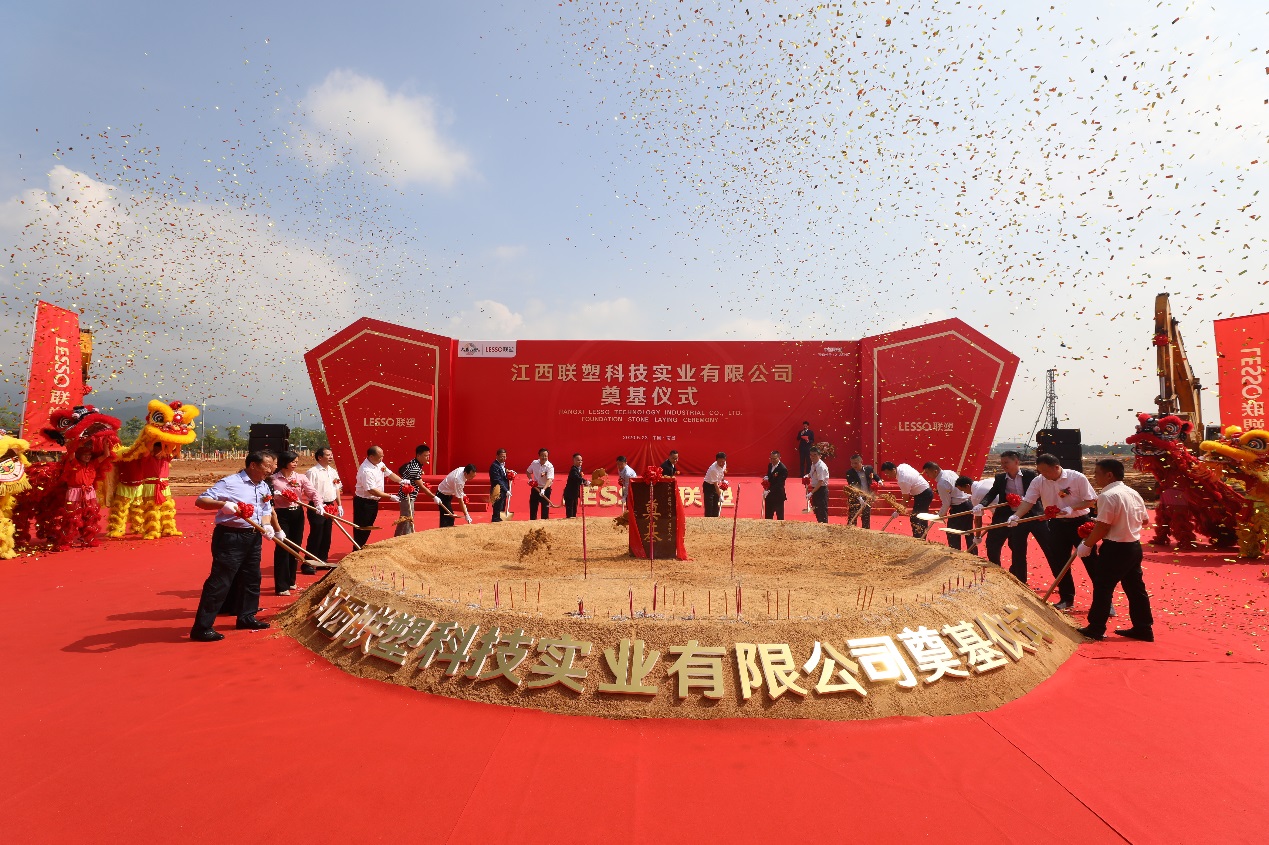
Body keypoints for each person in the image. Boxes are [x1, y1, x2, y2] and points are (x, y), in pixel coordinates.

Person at [190, 451, 280, 641]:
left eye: (272, 466)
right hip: (231, 537)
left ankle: (246, 616)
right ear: (253, 465)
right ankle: (202, 627)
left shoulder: (263, 485)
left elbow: (265, 508)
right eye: (267, 466)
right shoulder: (230, 482)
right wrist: (223, 505)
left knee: (252, 578)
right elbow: (201, 500)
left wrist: (267, 526)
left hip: (253, 536)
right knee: (221, 580)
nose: (271, 470)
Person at [1076, 459, 1154, 641]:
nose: (1094, 477)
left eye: (1097, 473)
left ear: (1109, 475)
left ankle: (1096, 627)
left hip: (1116, 548)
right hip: (1133, 546)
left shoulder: (1107, 495)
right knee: (1135, 588)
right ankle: (1143, 628)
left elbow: (1103, 526)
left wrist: (1087, 544)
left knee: (1103, 587)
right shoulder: (1133, 492)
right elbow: (1144, 520)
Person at [1010, 453, 1098, 611]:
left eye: (1046, 471)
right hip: (1057, 524)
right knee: (1059, 562)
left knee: (1091, 561)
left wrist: (1072, 508)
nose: (1043, 474)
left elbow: (1090, 500)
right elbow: (1029, 501)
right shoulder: (1039, 481)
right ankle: (1067, 598)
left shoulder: (1076, 477)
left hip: (1080, 522)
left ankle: (1104, 601)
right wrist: (1016, 515)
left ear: (1056, 467)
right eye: (1040, 471)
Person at [974, 450, 1044, 584]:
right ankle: (996, 570)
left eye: (1006, 462)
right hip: (1006, 515)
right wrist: (981, 505)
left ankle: (1019, 578)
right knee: (992, 542)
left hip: (1030, 514)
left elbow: (1039, 493)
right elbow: (992, 493)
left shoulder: (1030, 475)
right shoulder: (1000, 478)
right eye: (1002, 463)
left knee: (1018, 549)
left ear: (1016, 462)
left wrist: (1027, 500)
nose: (1004, 465)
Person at [270, 451, 319, 595]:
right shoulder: (273, 479)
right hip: (281, 514)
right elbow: (265, 497)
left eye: (297, 461)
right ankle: (281, 585)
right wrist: (274, 496)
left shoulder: (300, 477)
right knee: (283, 548)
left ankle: (291, 580)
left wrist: (318, 504)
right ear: (284, 462)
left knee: (295, 547)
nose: (295, 464)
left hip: (297, 513)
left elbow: (312, 492)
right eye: (293, 461)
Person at [353, 446, 403, 547]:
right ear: (371, 457)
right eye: (380, 457)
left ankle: (361, 546)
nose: (382, 459)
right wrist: (390, 496)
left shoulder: (379, 463)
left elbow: (389, 473)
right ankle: (357, 548)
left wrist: (401, 481)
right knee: (362, 528)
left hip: (373, 502)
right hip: (364, 503)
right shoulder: (366, 470)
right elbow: (372, 490)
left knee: (368, 527)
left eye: (382, 456)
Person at [305, 447, 342, 567]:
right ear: (320, 457)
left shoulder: (333, 471)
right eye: (328, 455)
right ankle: (309, 563)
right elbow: (308, 491)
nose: (331, 457)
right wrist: (318, 504)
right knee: (317, 534)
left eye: (331, 454)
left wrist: (339, 505)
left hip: (330, 505)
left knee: (327, 535)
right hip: (317, 507)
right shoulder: (312, 472)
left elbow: (337, 488)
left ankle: (322, 561)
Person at [923, 462, 972, 550]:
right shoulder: (949, 472)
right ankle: (973, 553)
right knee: (969, 532)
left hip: (959, 507)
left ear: (935, 471)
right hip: (968, 504)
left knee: (952, 533)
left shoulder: (941, 483)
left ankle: (955, 554)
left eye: (927, 472)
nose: (927, 475)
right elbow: (953, 488)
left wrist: (939, 515)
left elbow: (946, 503)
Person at [879, 461, 933, 538]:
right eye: (885, 474)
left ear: (893, 470)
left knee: (917, 517)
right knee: (918, 516)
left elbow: (906, 498)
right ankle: (920, 536)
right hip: (921, 492)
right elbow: (908, 495)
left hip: (924, 494)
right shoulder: (902, 466)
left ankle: (919, 538)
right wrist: (900, 508)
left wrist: (898, 510)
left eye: (888, 473)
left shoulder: (903, 480)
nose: (887, 476)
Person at [395, 443, 430, 537]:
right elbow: (421, 486)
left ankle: (397, 537)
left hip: (409, 495)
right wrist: (433, 496)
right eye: (425, 456)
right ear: (418, 455)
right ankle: (408, 537)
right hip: (407, 496)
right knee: (408, 518)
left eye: (428, 455)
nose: (428, 458)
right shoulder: (414, 468)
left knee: (404, 518)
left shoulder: (416, 463)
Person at [845, 454, 878, 528]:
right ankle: (851, 530)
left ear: (861, 462)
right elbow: (853, 486)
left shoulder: (869, 469)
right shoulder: (849, 473)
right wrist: (859, 497)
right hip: (855, 497)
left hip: (867, 496)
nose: (854, 465)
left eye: (856, 463)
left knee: (866, 515)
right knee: (853, 515)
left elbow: (875, 475)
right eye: (852, 463)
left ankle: (866, 531)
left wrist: (879, 480)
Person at [954, 477, 981, 556]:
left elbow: (978, 519)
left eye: (963, 490)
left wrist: (978, 537)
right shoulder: (980, 484)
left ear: (967, 486)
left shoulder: (975, 496)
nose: (965, 493)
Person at [527, 448, 554, 520]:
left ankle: (544, 523)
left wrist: (543, 489)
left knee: (545, 509)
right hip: (535, 488)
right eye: (542, 455)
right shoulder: (534, 463)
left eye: (546, 456)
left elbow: (549, 479)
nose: (544, 457)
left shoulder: (550, 466)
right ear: (539, 456)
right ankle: (532, 521)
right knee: (533, 506)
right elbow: (528, 471)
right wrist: (530, 479)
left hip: (545, 489)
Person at [764, 450, 789, 520]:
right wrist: (766, 477)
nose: (772, 460)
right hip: (769, 496)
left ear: (779, 458)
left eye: (774, 459)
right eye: (771, 458)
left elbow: (779, 483)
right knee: (768, 516)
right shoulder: (770, 465)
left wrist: (769, 490)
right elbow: (769, 475)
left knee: (780, 517)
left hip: (778, 496)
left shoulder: (783, 469)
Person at [807, 446, 830, 523]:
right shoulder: (814, 464)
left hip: (821, 490)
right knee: (816, 510)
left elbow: (820, 482)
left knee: (822, 511)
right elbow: (811, 473)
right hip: (816, 489)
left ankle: (824, 527)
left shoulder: (821, 466)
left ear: (820, 456)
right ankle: (819, 525)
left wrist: (811, 492)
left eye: (815, 455)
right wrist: (807, 476)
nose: (812, 457)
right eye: (811, 455)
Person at [563, 453, 589, 518]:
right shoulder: (573, 470)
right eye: (578, 460)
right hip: (569, 494)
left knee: (574, 511)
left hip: (575, 494)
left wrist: (585, 483)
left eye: (581, 460)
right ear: (574, 461)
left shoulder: (579, 469)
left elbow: (579, 479)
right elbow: (577, 478)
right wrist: (585, 482)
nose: (580, 462)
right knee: (570, 513)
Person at [489, 448, 512, 523]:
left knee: (501, 510)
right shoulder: (494, 466)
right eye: (501, 456)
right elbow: (497, 480)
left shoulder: (502, 465)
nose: (503, 458)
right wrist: (506, 490)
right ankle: (495, 525)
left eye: (505, 456)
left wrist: (508, 472)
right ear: (497, 456)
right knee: (497, 510)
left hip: (503, 492)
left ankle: (500, 525)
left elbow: (502, 474)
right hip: (497, 491)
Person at [703, 452, 727, 517]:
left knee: (716, 505)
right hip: (708, 486)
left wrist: (723, 480)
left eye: (723, 461)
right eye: (720, 462)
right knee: (709, 505)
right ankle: (708, 520)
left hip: (716, 484)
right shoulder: (713, 469)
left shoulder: (724, 464)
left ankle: (715, 519)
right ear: (716, 461)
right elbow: (715, 485)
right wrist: (720, 495)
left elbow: (722, 472)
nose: (721, 464)